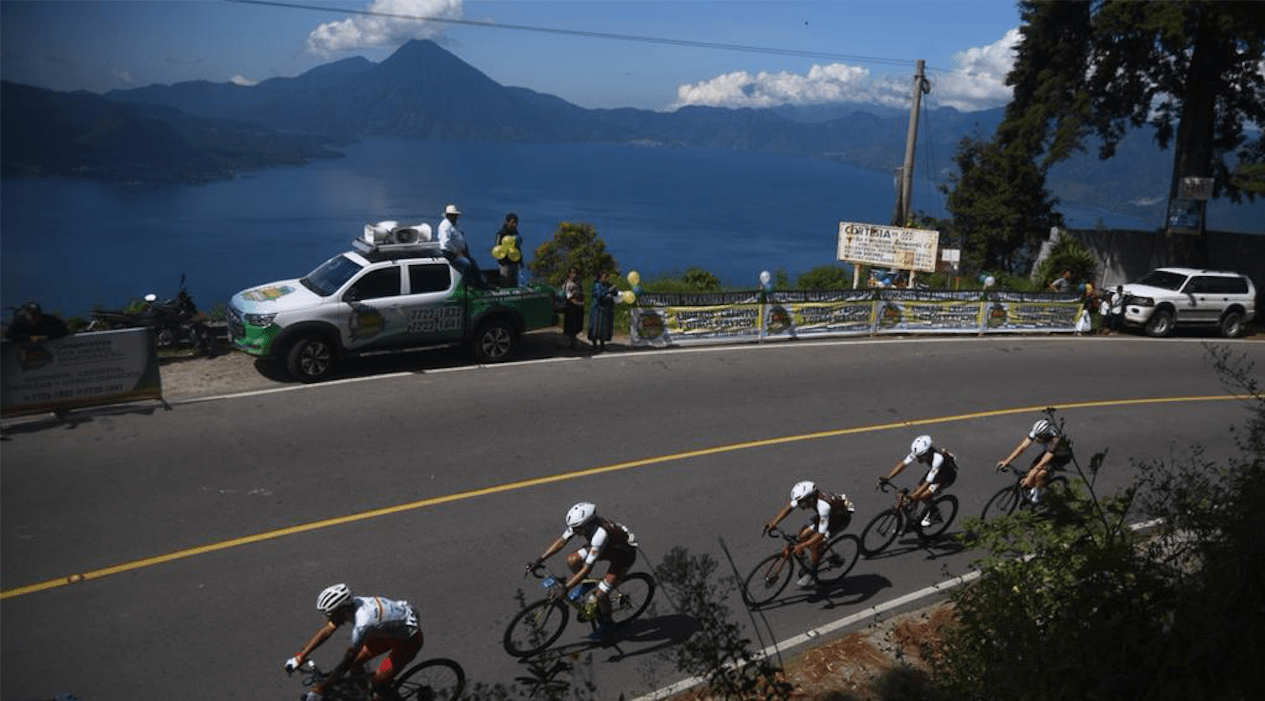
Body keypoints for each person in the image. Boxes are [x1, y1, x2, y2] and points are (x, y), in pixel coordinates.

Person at [283, 583, 423, 701]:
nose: (330, 618)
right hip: (386, 633)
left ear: (343, 610)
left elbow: (345, 663)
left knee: (378, 682)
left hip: (407, 643)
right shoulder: (352, 604)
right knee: (356, 665)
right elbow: (327, 630)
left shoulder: (363, 624)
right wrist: (300, 656)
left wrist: (319, 690)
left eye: (331, 614)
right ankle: (364, 694)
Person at [526, 502, 639, 637]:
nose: (573, 531)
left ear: (588, 524)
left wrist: (565, 588)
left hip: (622, 557)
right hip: (607, 548)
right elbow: (562, 541)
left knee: (599, 595)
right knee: (572, 560)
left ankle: (608, 623)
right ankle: (587, 584)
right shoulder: (582, 525)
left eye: (576, 529)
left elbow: (586, 569)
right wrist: (539, 560)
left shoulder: (599, 536)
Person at [763, 480, 855, 587]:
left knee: (814, 545)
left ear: (810, 498)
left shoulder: (823, 507)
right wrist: (773, 523)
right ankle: (807, 562)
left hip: (839, 519)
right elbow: (788, 508)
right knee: (802, 534)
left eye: (802, 503)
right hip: (829, 514)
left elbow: (820, 534)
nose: (800, 506)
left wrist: (802, 546)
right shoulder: (809, 498)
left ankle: (812, 572)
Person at [879, 434, 958, 528]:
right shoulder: (921, 452)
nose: (918, 459)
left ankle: (935, 514)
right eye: (917, 456)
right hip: (936, 472)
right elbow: (904, 463)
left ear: (927, 453)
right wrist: (889, 477)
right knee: (916, 490)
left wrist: (914, 497)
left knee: (922, 496)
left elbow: (929, 481)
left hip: (946, 477)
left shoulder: (938, 459)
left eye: (920, 456)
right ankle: (912, 521)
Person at [995, 417, 1074, 504]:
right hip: (1048, 452)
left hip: (1061, 456)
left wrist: (1030, 477)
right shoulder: (1038, 431)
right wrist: (1007, 461)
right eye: (1036, 436)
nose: (1036, 439)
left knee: (1040, 474)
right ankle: (1034, 487)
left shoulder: (1055, 440)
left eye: (1039, 437)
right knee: (1031, 470)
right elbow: (1022, 447)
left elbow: (1044, 462)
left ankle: (1037, 497)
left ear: (1046, 435)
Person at [436, 203, 489, 290]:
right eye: (453, 215)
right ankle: (467, 285)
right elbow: (446, 242)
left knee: (473, 263)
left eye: (455, 215)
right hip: (450, 252)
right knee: (466, 264)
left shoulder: (455, 224)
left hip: (459, 251)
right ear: (448, 215)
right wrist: (457, 252)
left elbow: (459, 236)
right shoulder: (445, 226)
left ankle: (480, 285)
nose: (455, 217)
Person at [4, 302, 70, 343]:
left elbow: (64, 331)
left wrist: (46, 337)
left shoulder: (50, 320)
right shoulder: (19, 322)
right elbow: (9, 335)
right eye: (30, 314)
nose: (33, 317)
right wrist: (29, 338)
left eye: (36, 315)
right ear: (26, 314)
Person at [587, 270, 617, 352]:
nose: (606, 279)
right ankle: (594, 345)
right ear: (600, 278)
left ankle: (602, 344)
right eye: (604, 277)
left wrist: (614, 290)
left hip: (606, 309)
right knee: (596, 327)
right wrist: (609, 290)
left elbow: (615, 294)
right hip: (598, 309)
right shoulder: (597, 285)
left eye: (607, 277)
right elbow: (599, 295)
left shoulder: (608, 285)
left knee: (604, 328)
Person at [492, 212, 523, 287]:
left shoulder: (515, 233)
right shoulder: (501, 233)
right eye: (512, 222)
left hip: (514, 263)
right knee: (505, 282)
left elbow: (517, 248)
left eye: (516, 222)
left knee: (514, 283)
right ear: (507, 222)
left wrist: (520, 260)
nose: (514, 224)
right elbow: (497, 248)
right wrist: (501, 261)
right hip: (505, 263)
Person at [561, 267, 585, 349]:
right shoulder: (568, 283)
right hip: (571, 306)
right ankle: (572, 342)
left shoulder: (578, 282)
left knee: (577, 324)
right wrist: (572, 298)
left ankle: (574, 341)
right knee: (572, 325)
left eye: (575, 273)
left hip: (579, 305)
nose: (574, 275)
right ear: (569, 274)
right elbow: (566, 294)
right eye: (572, 273)